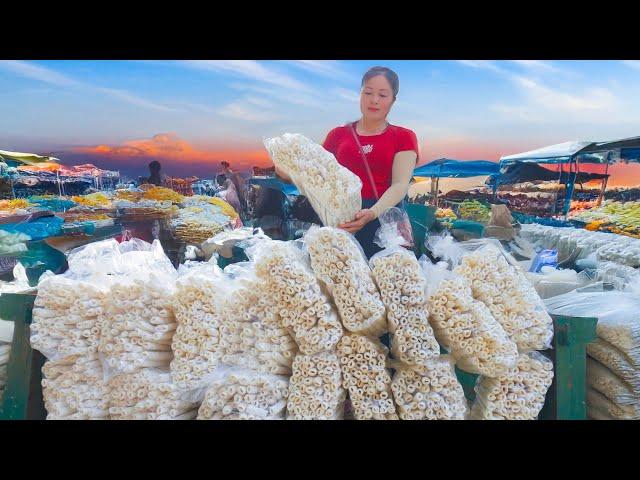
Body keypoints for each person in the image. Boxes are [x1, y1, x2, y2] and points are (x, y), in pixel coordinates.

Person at [276, 66, 419, 258]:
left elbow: (400, 185)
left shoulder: (403, 136)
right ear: (360, 93)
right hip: (341, 222)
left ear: (393, 100)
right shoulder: (338, 135)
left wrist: (371, 213)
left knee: (384, 280)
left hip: (382, 222)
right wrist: (288, 171)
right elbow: (315, 173)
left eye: (383, 95)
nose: (374, 100)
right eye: (368, 92)